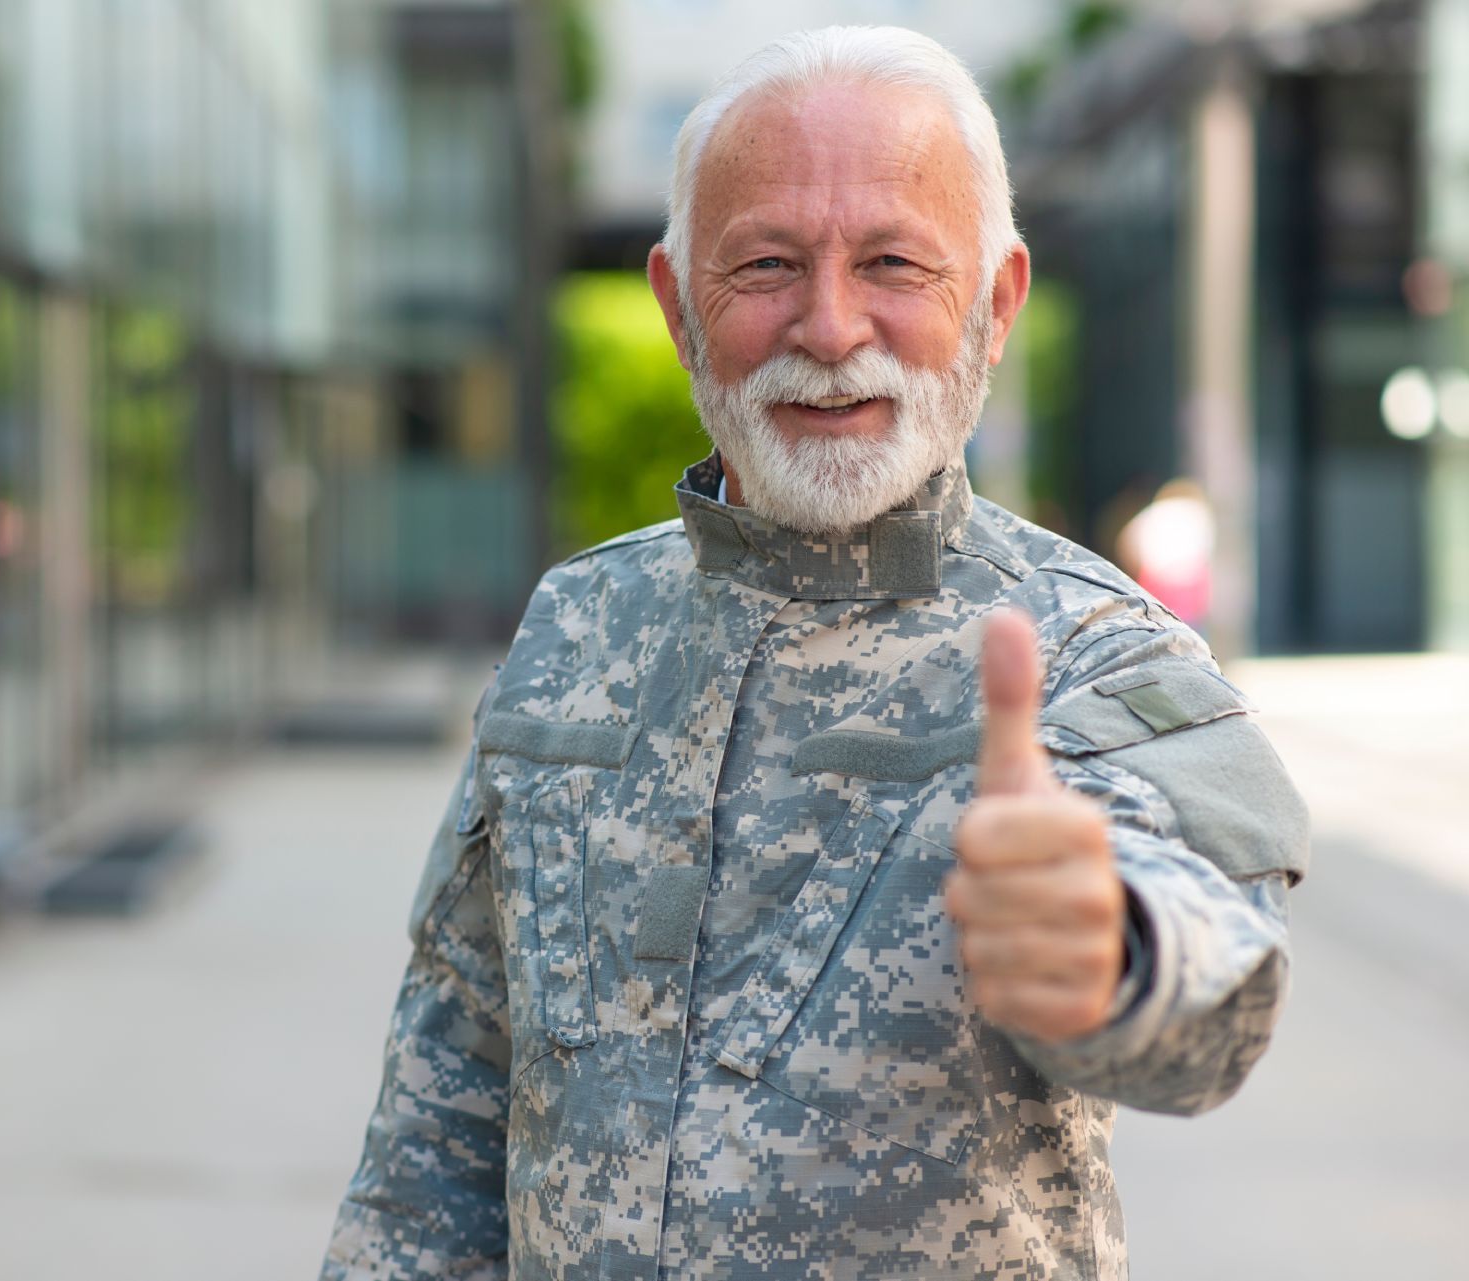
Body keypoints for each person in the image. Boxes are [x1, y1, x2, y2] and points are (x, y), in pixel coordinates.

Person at [321, 26, 1306, 1280]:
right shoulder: (574, 626)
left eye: (893, 263)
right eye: (767, 265)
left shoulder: (1089, 655)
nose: (832, 327)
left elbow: (1212, 994)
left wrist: (1106, 946)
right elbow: (446, 1099)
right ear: (679, 307)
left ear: (995, 304)